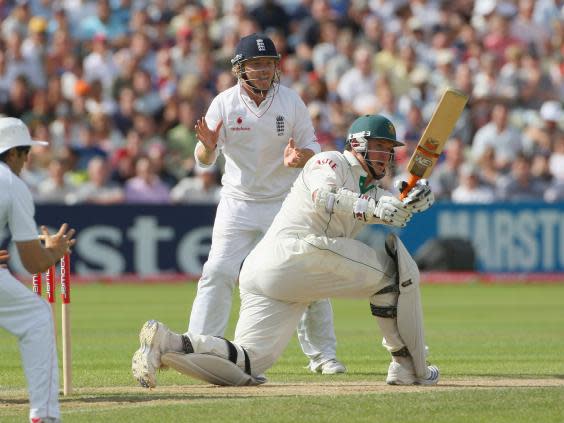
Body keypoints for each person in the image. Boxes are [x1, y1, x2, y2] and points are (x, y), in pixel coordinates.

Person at [132, 114, 440, 388]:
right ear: (357, 144)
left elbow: (389, 209)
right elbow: (325, 196)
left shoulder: (370, 189)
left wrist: (409, 203)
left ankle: (166, 342)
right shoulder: (330, 161)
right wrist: (378, 206)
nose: (385, 156)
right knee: (396, 272)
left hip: (269, 273)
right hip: (298, 252)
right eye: (379, 147)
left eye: (389, 150)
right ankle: (408, 364)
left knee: (248, 362)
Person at [174, 33, 345, 375]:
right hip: (238, 202)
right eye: (257, 65)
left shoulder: (291, 101)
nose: (265, 71)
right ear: (240, 69)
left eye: (269, 64)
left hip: (284, 203)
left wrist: (300, 157)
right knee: (218, 272)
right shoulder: (224, 103)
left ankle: (322, 355)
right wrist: (207, 146)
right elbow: (205, 160)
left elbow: (312, 147)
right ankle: (200, 347)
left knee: (307, 274)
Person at [0, 117, 76, 423]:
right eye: (25, 152)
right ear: (14, 154)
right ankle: (44, 416)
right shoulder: (11, 183)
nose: (28, 159)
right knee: (37, 316)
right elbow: (33, 262)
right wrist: (55, 252)